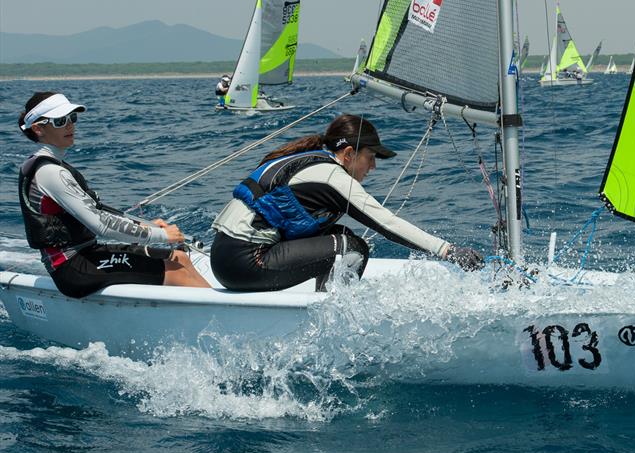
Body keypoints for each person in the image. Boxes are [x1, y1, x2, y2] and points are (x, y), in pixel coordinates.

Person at [210, 114, 484, 292]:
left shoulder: (311, 159)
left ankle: (322, 302)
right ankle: (331, 320)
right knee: (352, 247)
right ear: (350, 153)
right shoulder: (331, 176)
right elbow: (386, 223)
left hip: (226, 256)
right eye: (371, 156)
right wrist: (448, 251)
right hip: (245, 262)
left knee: (340, 235)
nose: (374, 166)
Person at [17, 91, 210, 298]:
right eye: (60, 121)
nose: (70, 125)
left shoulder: (52, 165)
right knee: (178, 271)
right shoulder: (50, 172)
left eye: (72, 118)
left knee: (180, 258)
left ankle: (212, 307)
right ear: (38, 129)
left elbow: (96, 212)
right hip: (71, 266)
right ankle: (222, 317)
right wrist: (161, 235)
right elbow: (102, 225)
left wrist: (146, 226)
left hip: (87, 253)